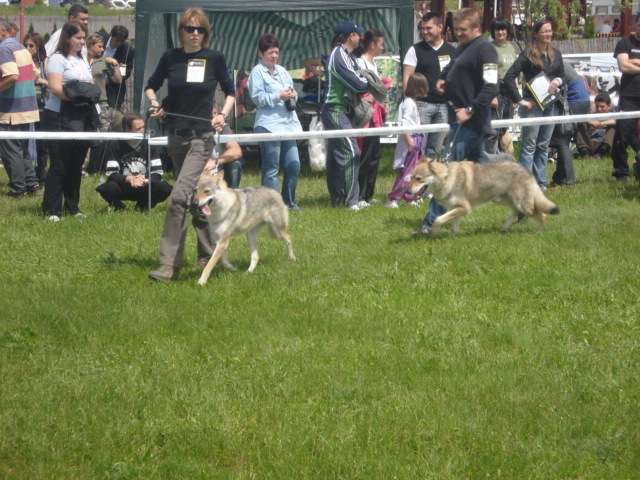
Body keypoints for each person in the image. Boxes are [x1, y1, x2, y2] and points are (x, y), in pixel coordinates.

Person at [145, 7, 235, 282]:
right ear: (181, 30)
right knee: (196, 198)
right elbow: (151, 85)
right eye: (190, 29)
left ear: (206, 33)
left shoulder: (214, 58)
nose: (195, 34)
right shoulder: (170, 57)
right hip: (176, 136)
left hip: (202, 137)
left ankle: (167, 265)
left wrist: (222, 115)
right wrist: (155, 104)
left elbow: (231, 91)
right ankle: (209, 254)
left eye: (201, 30)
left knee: (179, 196)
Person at [413, 8, 498, 237]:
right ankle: (516, 186)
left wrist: (470, 109)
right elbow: (451, 68)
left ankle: (429, 225)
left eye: (463, 30)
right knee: (489, 170)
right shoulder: (463, 47)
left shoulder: (485, 49)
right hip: (458, 120)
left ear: (476, 28)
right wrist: (442, 79)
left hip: (470, 122)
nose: (458, 33)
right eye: (456, 29)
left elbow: (492, 86)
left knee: (445, 173)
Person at [41, 21, 100, 221]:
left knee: (76, 164)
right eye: (79, 38)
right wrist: (78, 99)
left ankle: (73, 207)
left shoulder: (82, 59)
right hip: (58, 116)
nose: (83, 42)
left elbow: (90, 85)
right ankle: (52, 209)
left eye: (83, 38)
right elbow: (55, 88)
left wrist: (85, 99)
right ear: (67, 38)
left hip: (81, 118)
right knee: (60, 164)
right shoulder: (57, 59)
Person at [504, 19, 564, 190]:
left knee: (543, 146)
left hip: (551, 104)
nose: (548, 34)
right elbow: (509, 76)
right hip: (532, 106)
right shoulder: (526, 55)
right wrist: (520, 99)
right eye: (544, 31)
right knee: (529, 146)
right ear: (536, 34)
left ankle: (541, 183)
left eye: (550, 31)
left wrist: (557, 82)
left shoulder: (556, 53)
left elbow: (562, 75)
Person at [248, 34, 302, 211]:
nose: (274, 56)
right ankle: (271, 207)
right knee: (271, 168)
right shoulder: (257, 73)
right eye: (270, 52)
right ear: (260, 53)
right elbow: (257, 99)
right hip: (268, 125)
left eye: (276, 52)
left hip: (289, 125)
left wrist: (293, 95)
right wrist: (278, 96)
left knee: (294, 165)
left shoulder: (282, 71)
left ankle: (289, 203)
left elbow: (293, 92)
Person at [321, 20, 370, 211]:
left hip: (340, 110)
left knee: (335, 156)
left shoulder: (345, 55)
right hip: (335, 110)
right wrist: (370, 82)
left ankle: (337, 199)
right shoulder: (339, 55)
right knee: (352, 152)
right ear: (352, 36)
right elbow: (357, 83)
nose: (361, 37)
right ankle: (351, 202)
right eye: (358, 34)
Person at [402, 12, 456, 158]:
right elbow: (406, 78)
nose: (424, 31)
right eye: (423, 28)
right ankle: (412, 176)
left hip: (444, 106)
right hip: (421, 104)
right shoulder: (415, 50)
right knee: (418, 146)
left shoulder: (452, 52)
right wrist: (409, 100)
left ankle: (429, 179)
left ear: (440, 27)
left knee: (435, 148)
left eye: (428, 28)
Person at [96, 112, 172, 211]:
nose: (143, 131)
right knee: (107, 188)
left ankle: (143, 206)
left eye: (143, 127)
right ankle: (119, 207)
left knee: (165, 187)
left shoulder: (150, 144)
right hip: (124, 185)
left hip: (144, 185)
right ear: (126, 130)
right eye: (138, 129)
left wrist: (145, 180)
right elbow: (111, 174)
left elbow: (157, 173)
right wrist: (130, 179)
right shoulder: (115, 145)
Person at [0, 20, 41, 197]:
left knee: (10, 150)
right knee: (22, 148)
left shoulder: (3, 50)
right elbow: (35, 73)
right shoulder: (21, 48)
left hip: (11, 108)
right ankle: (32, 184)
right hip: (28, 106)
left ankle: (18, 189)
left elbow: (11, 76)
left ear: (2, 31)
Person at [355, 28, 386, 207]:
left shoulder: (373, 64)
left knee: (374, 153)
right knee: (365, 154)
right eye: (380, 45)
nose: (382, 48)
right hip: (365, 114)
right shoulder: (359, 62)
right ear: (372, 44)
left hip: (376, 115)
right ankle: (359, 194)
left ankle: (369, 192)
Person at [387, 72, 428, 208]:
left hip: (417, 140)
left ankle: (410, 198)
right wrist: (410, 141)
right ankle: (393, 198)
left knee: (414, 171)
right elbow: (403, 124)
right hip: (411, 140)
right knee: (407, 172)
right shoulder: (408, 103)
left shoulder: (412, 102)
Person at [84, 33, 122, 174]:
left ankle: (99, 167)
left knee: (103, 135)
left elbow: (118, 80)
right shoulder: (80, 61)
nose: (102, 49)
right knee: (86, 133)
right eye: (99, 46)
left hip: (101, 102)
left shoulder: (103, 62)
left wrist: (115, 64)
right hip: (85, 102)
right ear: (90, 45)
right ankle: (84, 167)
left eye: (102, 47)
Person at [549, 62, 591, 187]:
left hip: (575, 102)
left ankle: (568, 180)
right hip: (582, 100)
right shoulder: (561, 62)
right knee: (563, 141)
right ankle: (559, 177)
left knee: (561, 141)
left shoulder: (554, 64)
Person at [610, 14, 640, 182]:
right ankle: (621, 172)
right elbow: (623, 66)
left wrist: (635, 61)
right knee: (624, 133)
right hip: (629, 95)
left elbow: (630, 64)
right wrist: (630, 62)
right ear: (636, 24)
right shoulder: (625, 43)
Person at [485, 16, 517, 154]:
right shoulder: (490, 48)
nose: (500, 32)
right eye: (497, 29)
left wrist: (515, 95)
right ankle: (490, 160)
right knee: (493, 130)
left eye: (503, 29)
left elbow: (514, 72)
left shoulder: (510, 47)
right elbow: (486, 74)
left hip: (509, 91)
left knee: (503, 129)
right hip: (496, 89)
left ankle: (501, 160)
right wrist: (491, 96)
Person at [24, 32, 49, 184]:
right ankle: (29, 175)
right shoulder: (22, 62)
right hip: (27, 106)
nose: (28, 48)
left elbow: (53, 83)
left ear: (38, 46)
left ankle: (41, 174)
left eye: (31, 45)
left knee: (42, 144)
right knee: (26, 142)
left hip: (43, 107)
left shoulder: (46, 62)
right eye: (25, 45)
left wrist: (40, 79)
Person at [99, 25, 134, 111]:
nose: (119, 43)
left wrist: (107, 80)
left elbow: (125, 74)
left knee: (113, 113)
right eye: (117, 40)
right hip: (93, 82)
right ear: (111, 36)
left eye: (121, 41)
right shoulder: (99, 40)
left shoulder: (128, 51)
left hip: (112, 87)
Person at [576, 92, 616, 159]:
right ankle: (586, 154)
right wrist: (588, 121)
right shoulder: (591, 115)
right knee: (580, 123)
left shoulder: (612, 115)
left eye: (602, 106)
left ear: (609, 106)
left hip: (604, 144)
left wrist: (600, 124)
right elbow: (577, 119)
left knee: (613, 127)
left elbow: (617, 121)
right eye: (597, 106)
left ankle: (600, 154)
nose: (599, 109)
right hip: (590, 143)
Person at [205, 123, 244, 189]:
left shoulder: (223, 127)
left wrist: (215, 162)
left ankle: (232, 194)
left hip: (218, 165)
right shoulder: (188, 125)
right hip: (195, 166)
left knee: (235, 164)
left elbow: (236, 151)